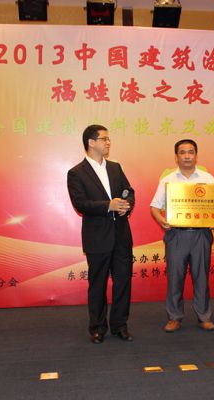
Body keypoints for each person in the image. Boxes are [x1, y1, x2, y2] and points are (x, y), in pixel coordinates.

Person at [67, 124, 135, 344]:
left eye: (108, 139)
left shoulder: (115, 167)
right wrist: (109, 206)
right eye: (104, 139)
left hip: (121, 236)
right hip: (97, 238)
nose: (108, 142)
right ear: (91, 142)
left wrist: (126, 205)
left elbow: (129, 191)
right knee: (98, 285)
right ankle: (97, 327)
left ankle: (120, 325)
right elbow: (80, 203)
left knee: (123, 282)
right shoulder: (76, 173)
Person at [150, 139, 214, 333]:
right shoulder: (168, 180)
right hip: (176, 236)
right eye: (182, 152)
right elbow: (154, 207)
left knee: (201, 278)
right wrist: (161, 220)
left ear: (196, 155)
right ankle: (174, 317)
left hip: (201, 235)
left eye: (191, 152)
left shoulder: (208, 178)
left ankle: (204, 317)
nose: (187, 156)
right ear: (176, 157)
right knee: (175, 278)